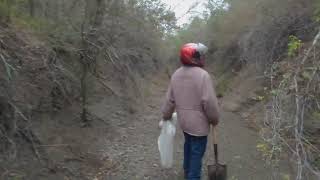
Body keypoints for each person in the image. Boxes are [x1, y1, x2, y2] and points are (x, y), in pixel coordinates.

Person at [161, 43, 220, 180]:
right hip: (199, 126)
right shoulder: (203, 75)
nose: (202, 58)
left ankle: (186, 171)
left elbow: (169, 100)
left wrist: (166, 116)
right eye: (200, 55)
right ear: (193, 57)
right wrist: (214, 119)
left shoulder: (176, 74)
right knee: (196, 154)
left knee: (188, 146)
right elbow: (209, 103)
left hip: (185, 123)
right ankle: (192, 176)